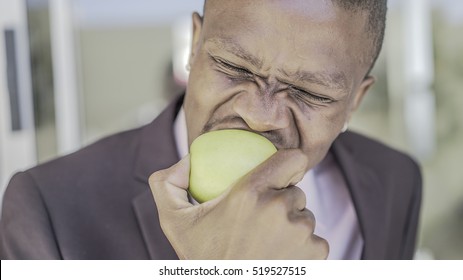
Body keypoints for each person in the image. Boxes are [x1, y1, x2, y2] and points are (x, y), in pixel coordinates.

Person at [0, 0, 421, 260]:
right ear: (194, 47)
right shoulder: (49, 212)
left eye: (309, 92)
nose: (261, 116)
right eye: (235, 67)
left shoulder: (395, 182)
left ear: (356, 101)